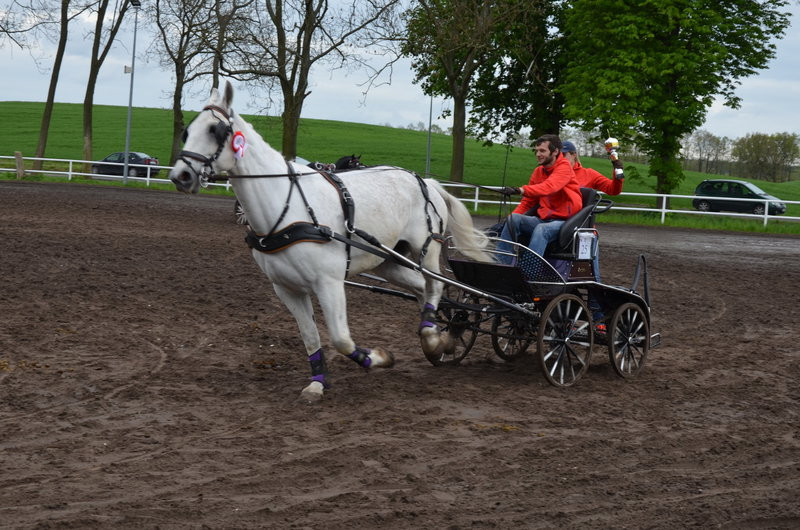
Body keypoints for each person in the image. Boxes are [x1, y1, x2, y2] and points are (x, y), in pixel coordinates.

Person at [561, 140, 625, 332]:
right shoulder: (555, 174)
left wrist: (617, 170)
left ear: (573, 155)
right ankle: (563, 317)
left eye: (563, 156)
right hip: (559, 230)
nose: (560, 160)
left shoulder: (588, 174)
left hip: (583, 234)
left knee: (590, 276)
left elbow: (613, 190)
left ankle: (600, 318)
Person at [496, 134, 582, 264]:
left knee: (542, 229)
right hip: (544, 219)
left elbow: (549, 187)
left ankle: (529, 273)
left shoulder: (565, 168)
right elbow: (528, 202)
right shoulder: (538, 171)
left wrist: (520, 190)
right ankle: (500, 265)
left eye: (542, 151)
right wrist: (507, 221)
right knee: (513, 220)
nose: (538, 154)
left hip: (565, 222)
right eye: (536, 151)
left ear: (555, 152)